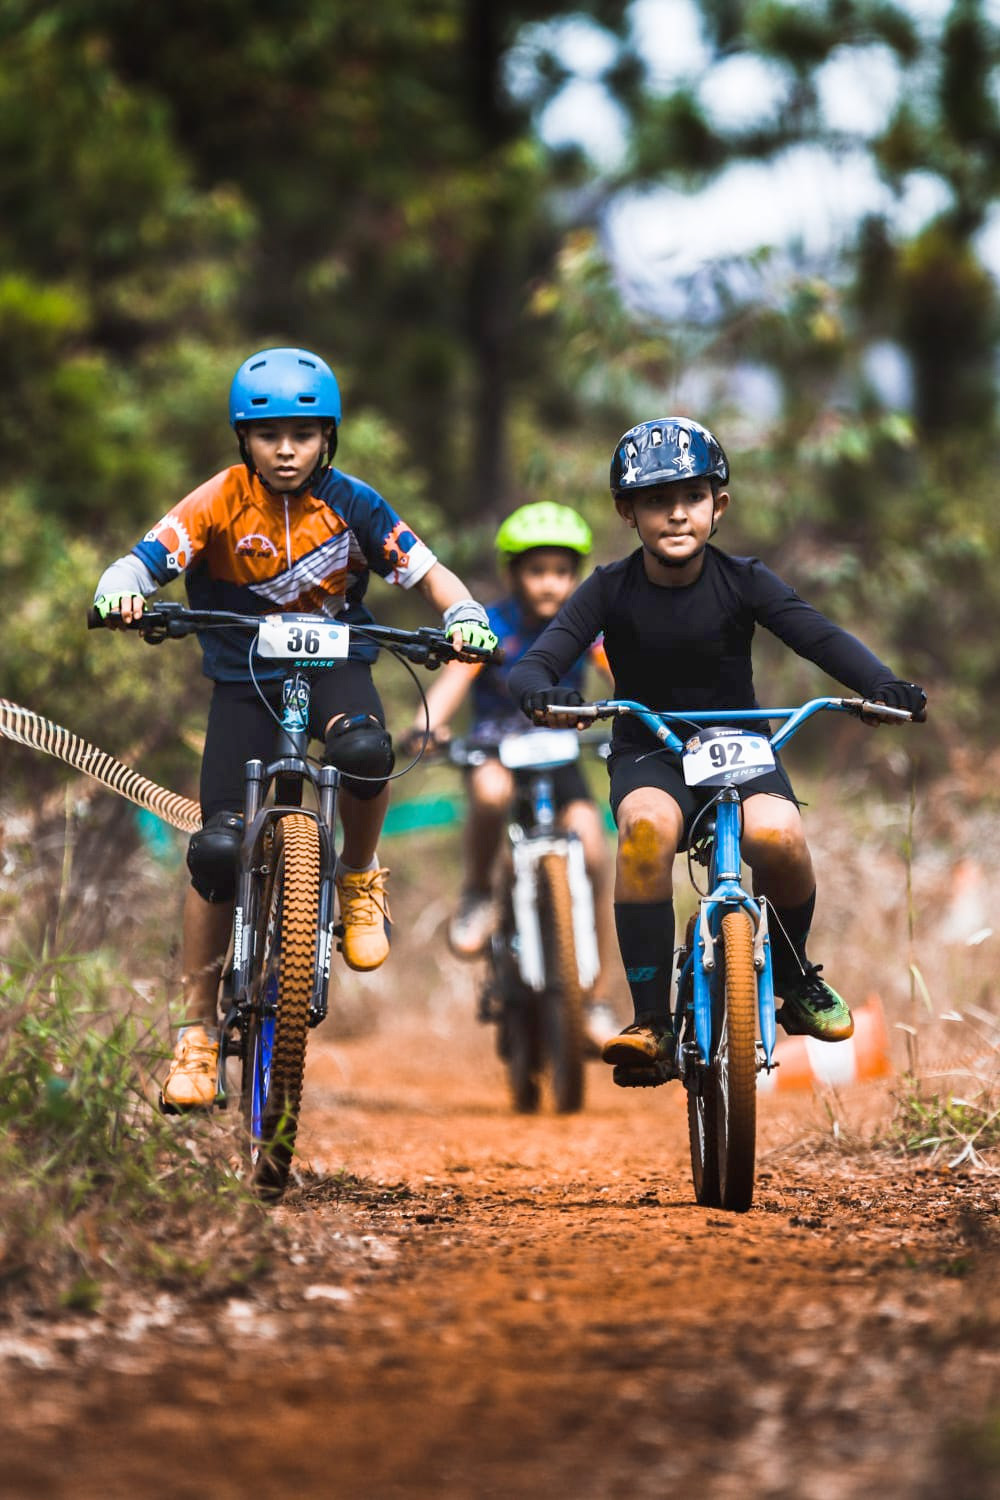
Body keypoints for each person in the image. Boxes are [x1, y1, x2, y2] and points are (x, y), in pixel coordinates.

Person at [92, 347, 497, 1110]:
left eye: (304, 434)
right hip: (243, 679)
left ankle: (358, 877)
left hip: (337, 664)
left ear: (328, 439)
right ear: (243, 438)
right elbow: (146, 561)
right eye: (268, 432)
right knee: (215, 849)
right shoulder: (217, 501)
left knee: (367, 751)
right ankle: (197, 1035)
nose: (286, 449)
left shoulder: (354, 502)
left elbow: (431, 573)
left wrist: (464, 614)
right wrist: (121, 590)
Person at [508, 417, 926, 1081]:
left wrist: (880, 684)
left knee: (781, 837)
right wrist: (534, 687)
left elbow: (816, 637)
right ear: (627, 510)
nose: (676, 514)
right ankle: (650, 1021)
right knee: (643, 830)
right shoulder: (608, 588)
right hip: (652, 750)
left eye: (693, 497)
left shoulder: (745, 580)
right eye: (655, 500)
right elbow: (546, 654)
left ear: (718, 505)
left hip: (740, 745)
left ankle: (793, 978)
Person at [400, 500, 619, 1051]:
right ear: (513, 574)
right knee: (492, 795)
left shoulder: (584, 627)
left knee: (594, 849)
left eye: (563, 572)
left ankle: (594, 995)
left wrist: (650, 710)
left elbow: (622, 670)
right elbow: (454, 681)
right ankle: (477, 892)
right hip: (496, 752)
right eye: (538, 570)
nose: (551, 583)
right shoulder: (492, 626)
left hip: (558, 753)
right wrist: (428, 726)